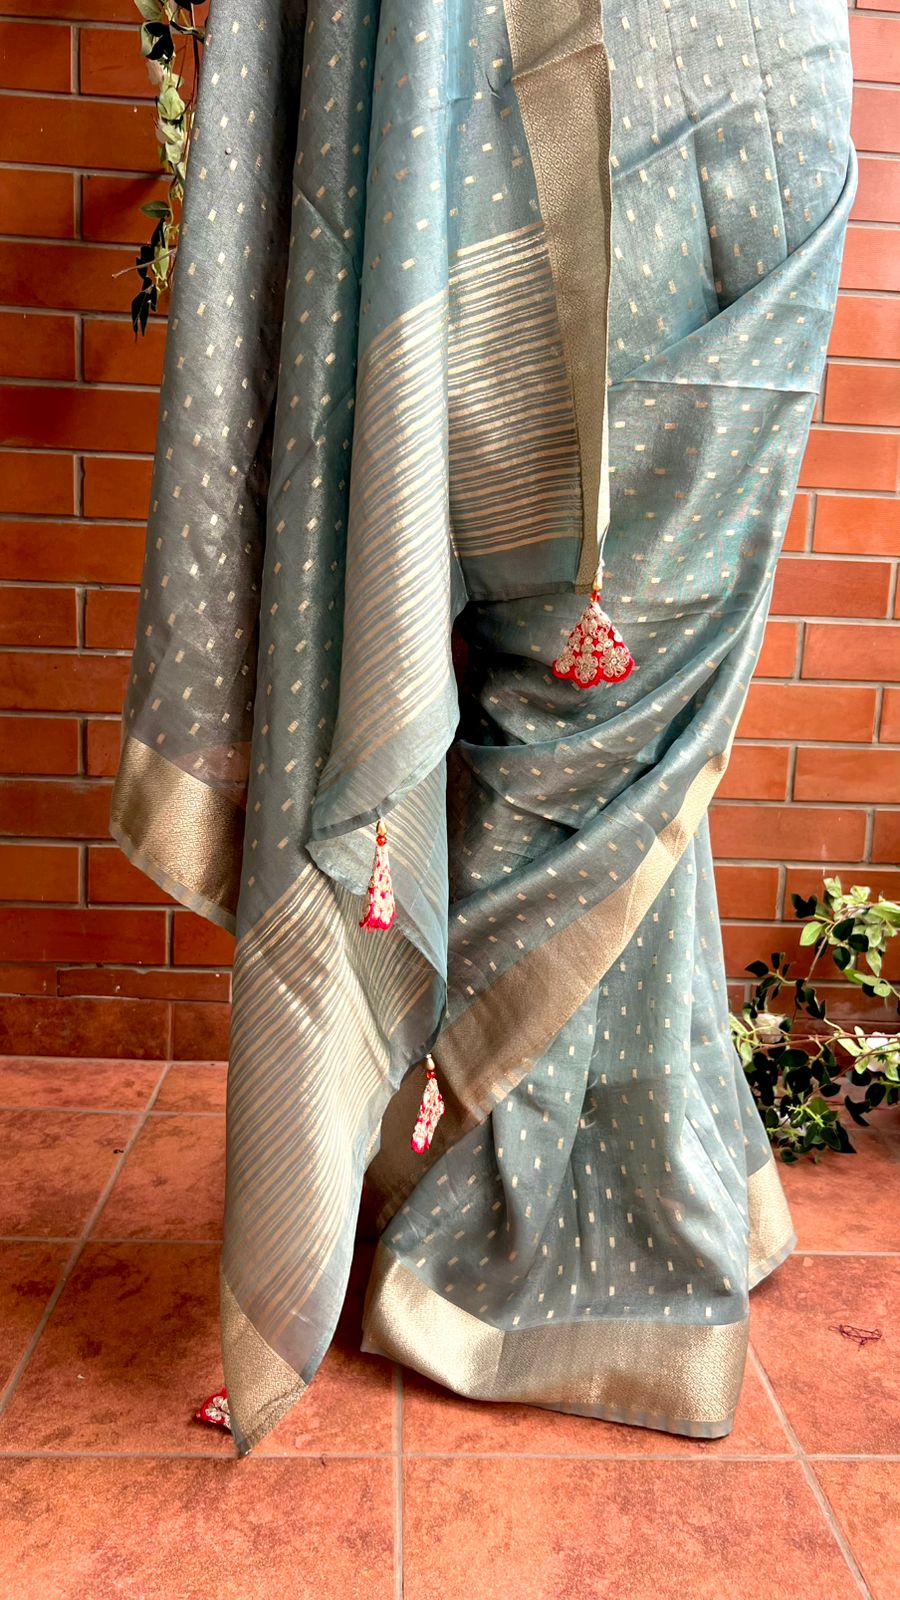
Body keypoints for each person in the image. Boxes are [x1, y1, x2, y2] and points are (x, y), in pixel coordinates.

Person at [112, 0, 856, 1455]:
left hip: (698, 114)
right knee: (568, 705)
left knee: (610, 721)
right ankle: (536, 1180)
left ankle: (543, 1209)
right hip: (522, 109)